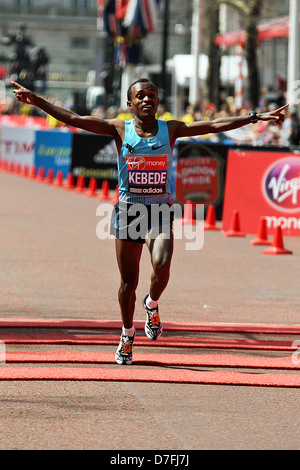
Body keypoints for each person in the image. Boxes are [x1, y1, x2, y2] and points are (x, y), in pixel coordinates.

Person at [12, 78, 288, 365]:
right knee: (128, 283)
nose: (147, 100)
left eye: (152, 95)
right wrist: (38, 101)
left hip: (158, 212)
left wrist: (256, 116)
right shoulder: (120, 128)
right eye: (140, 96)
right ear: (130, 103)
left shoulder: (172, 129)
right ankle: (127, 334)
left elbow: (214, 125)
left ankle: (152, 304)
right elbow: (75, 118)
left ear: (158, 101)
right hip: (128, 211)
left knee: (162, 264)